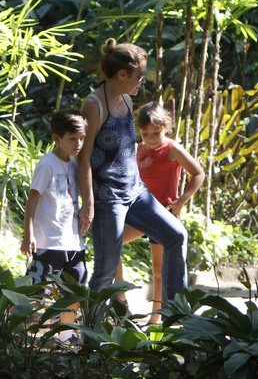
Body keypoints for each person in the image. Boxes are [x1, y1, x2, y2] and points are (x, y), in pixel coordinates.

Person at [77, 38, 188, 313]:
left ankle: (180, 319)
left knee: (176, 236)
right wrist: (88, 203)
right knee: (105, 271)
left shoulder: (127, 99)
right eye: (139, 75)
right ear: (122, 74)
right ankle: (89, 337)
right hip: (107, 198)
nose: (142, 80)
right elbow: (83, 157)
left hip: (136, 191)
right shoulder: (93, 105)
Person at [115, 102, 205, 324]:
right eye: (145, 134)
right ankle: (119, 297)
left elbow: (198, 174)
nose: (150, 138)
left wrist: (181, 201)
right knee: (112, 244)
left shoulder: (172, 149)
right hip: (140, 212)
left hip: (163, 213)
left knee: (158, 270)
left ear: (165, 126)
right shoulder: (140, 149)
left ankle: (156, 318)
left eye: (155, 133)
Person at [21, 110, 87, 345]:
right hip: (49, 239)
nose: (78, 143)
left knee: (76, 287)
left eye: (81, 138)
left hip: (73, 240)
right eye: (72, 139)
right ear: (56, 138)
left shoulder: (77, 163)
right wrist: (28, 234)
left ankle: (66, 334)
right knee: (37, 289)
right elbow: (33, 199)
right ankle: (14, 328)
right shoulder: (47, 164)